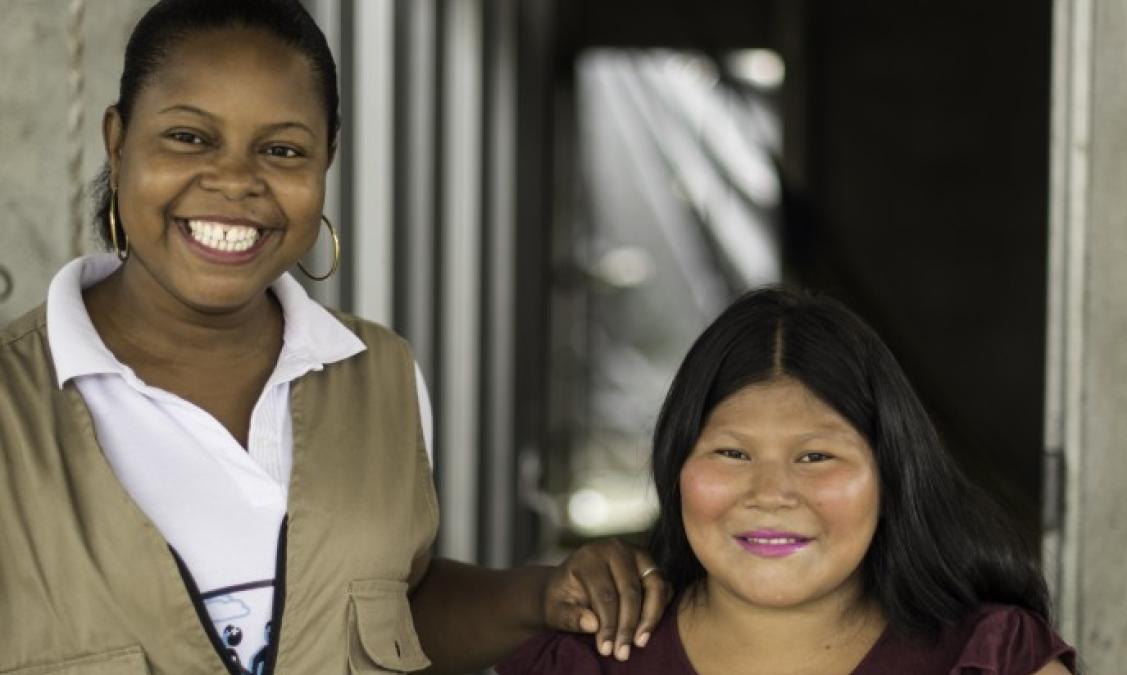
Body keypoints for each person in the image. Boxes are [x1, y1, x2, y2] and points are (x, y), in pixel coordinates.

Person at [0, 1, 669, 673]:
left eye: (282, 150)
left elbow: (392, 604)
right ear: (118, 143)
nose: (235, 180)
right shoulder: (15, 407)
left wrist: (543, 593)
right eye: (189, 137)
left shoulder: (378, 372)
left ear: (326, 162)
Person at [499, 288, 1078, 674]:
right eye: (731, 452)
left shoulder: (989, 660)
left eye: (816, 457)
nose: (771, 493)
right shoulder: (585, 664)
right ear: (676, 466)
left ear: (891, 474)